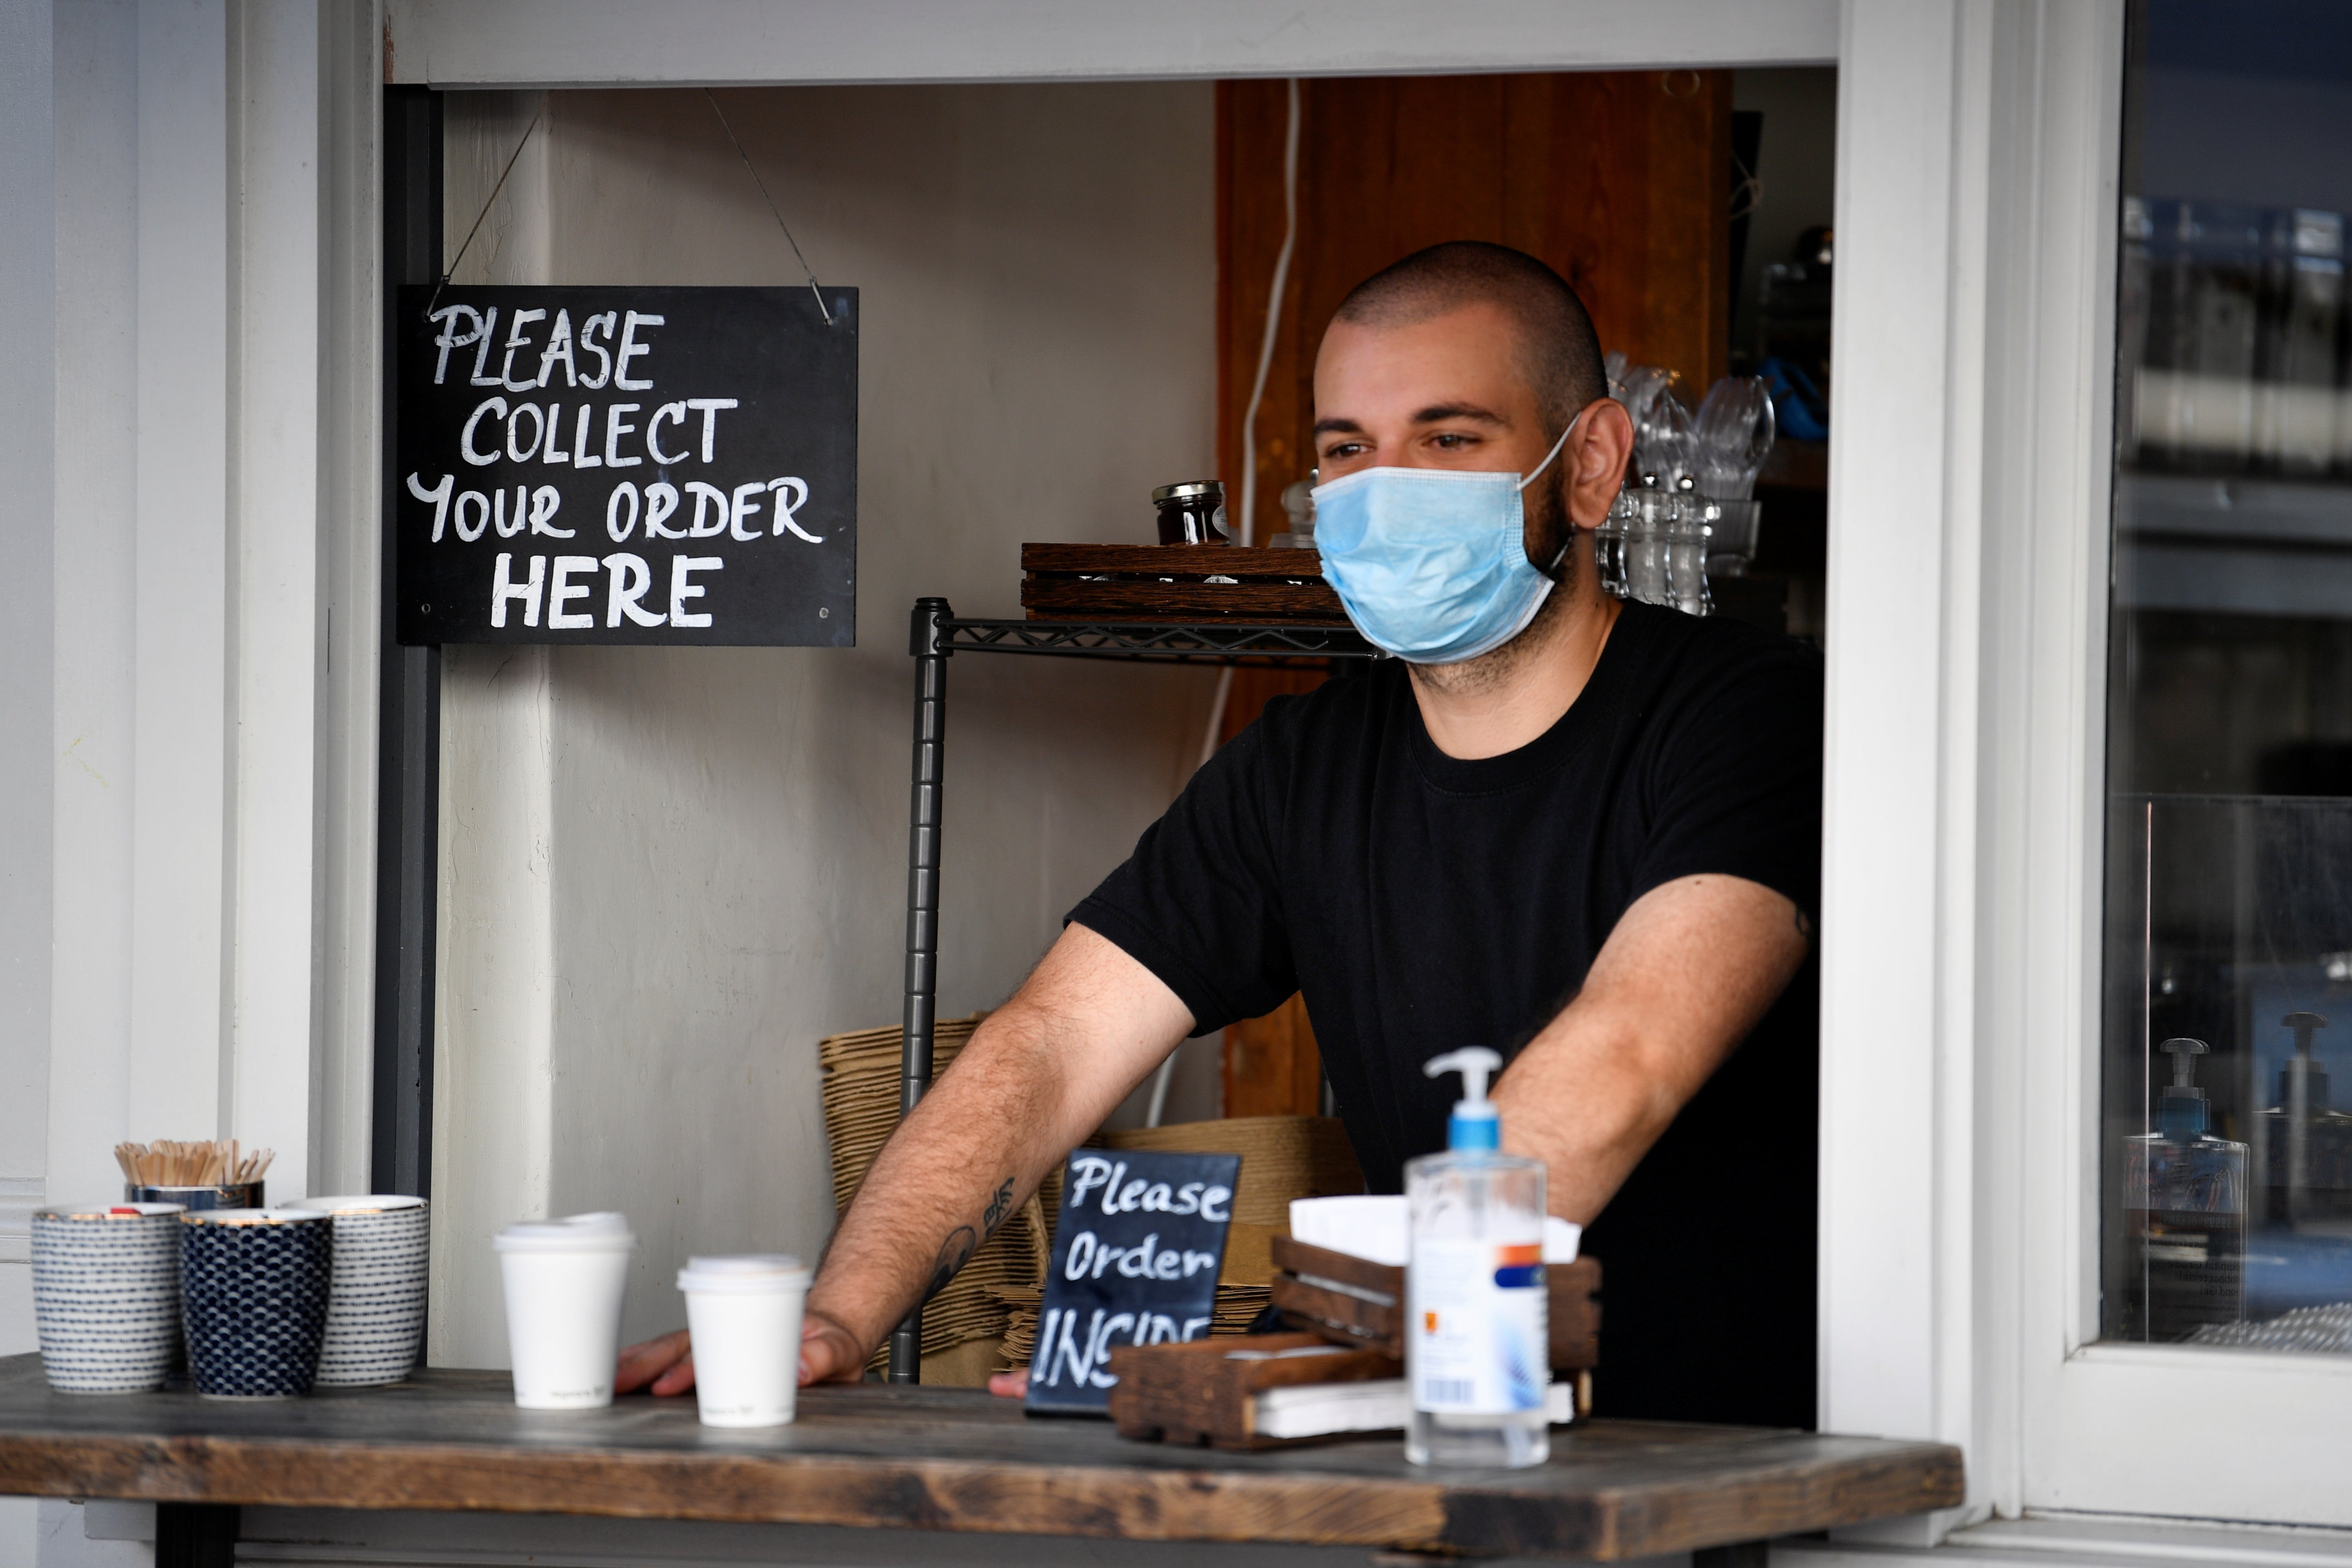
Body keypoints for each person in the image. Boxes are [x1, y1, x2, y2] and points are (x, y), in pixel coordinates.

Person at [619, 241, 1822, 1427]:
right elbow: (1051, 1043)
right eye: (1349, 451)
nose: (1384, 489)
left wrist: (1311, 1354)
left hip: (1718, 1452)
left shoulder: (1749, 715)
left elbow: (1629, 1055)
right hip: (1431, 1443)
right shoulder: (1300, 768)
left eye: (1450, 440)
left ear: (1592, 464)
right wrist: (841, 1315)